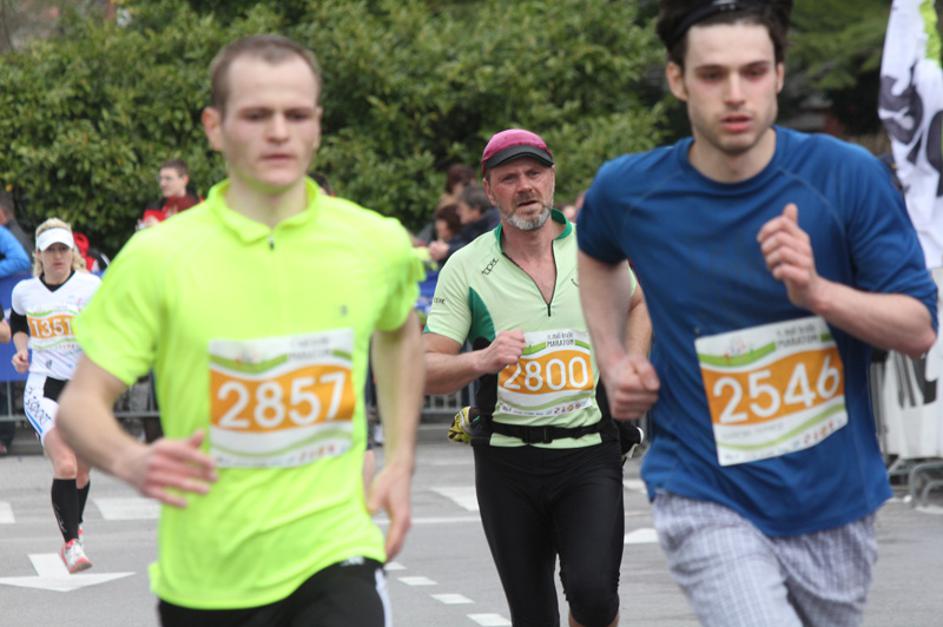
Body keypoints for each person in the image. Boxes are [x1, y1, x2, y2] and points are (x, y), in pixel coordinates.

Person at [576, 2, 938, 626]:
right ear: (678, 79)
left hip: (832, 501)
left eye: (753, 71)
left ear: (778, 74)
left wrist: (818, 293)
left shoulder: (847, 176)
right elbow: (596, 252)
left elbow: (918, 328)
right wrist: (614, 359)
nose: (735, 94)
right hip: (701, 489)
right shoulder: (630, 191)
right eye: (712, 75)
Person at [57, 34, 424, 626]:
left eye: (296, 114)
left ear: (317, 125)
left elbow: (399, 332)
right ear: (215, 126)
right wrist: (130, 460)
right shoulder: (158, 257)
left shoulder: (374, 242)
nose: (279, 132)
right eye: (256, 115)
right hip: (207, 580)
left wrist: (401, 460)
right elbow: (79, 405)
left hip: (335, 551)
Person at [424, 128, 651, 627]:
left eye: (534, 173)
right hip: (507, 463)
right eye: (509, 178)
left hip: (589, 452)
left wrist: (629, 368)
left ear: (552, 178)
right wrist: (481, 360)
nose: (525, 186)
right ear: (489, 190)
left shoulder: (594, 248)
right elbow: (425, 368)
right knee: (532, 615)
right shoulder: (466, 266)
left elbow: (638, 303)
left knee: (594, 598)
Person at [10, 218, 100, 571]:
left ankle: (75, 526)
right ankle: (71, 544)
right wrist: (22, 350)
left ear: (72, 252)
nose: (58, 256)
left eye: (63, 249)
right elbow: (18, 322)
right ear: (38, 254)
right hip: (42, 385)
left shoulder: (91, 287)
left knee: (82, 472)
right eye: (51, 250)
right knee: (65, 463)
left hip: (83, 389)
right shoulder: (25, 292)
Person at [427, 183, 499, 264]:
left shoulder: (495, 224)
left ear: (475, 210)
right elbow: (461, 241)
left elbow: (483, 249)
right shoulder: (474, 223)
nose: (458, 212)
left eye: (461, 208)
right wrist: (442, 247)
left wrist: (448, 250)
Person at [137, 159, 201, 229]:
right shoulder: (154, 209)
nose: (162, 184)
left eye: (168, 179)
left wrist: (160, 228)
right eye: (160, 178)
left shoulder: (200, 206)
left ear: (184, 180)